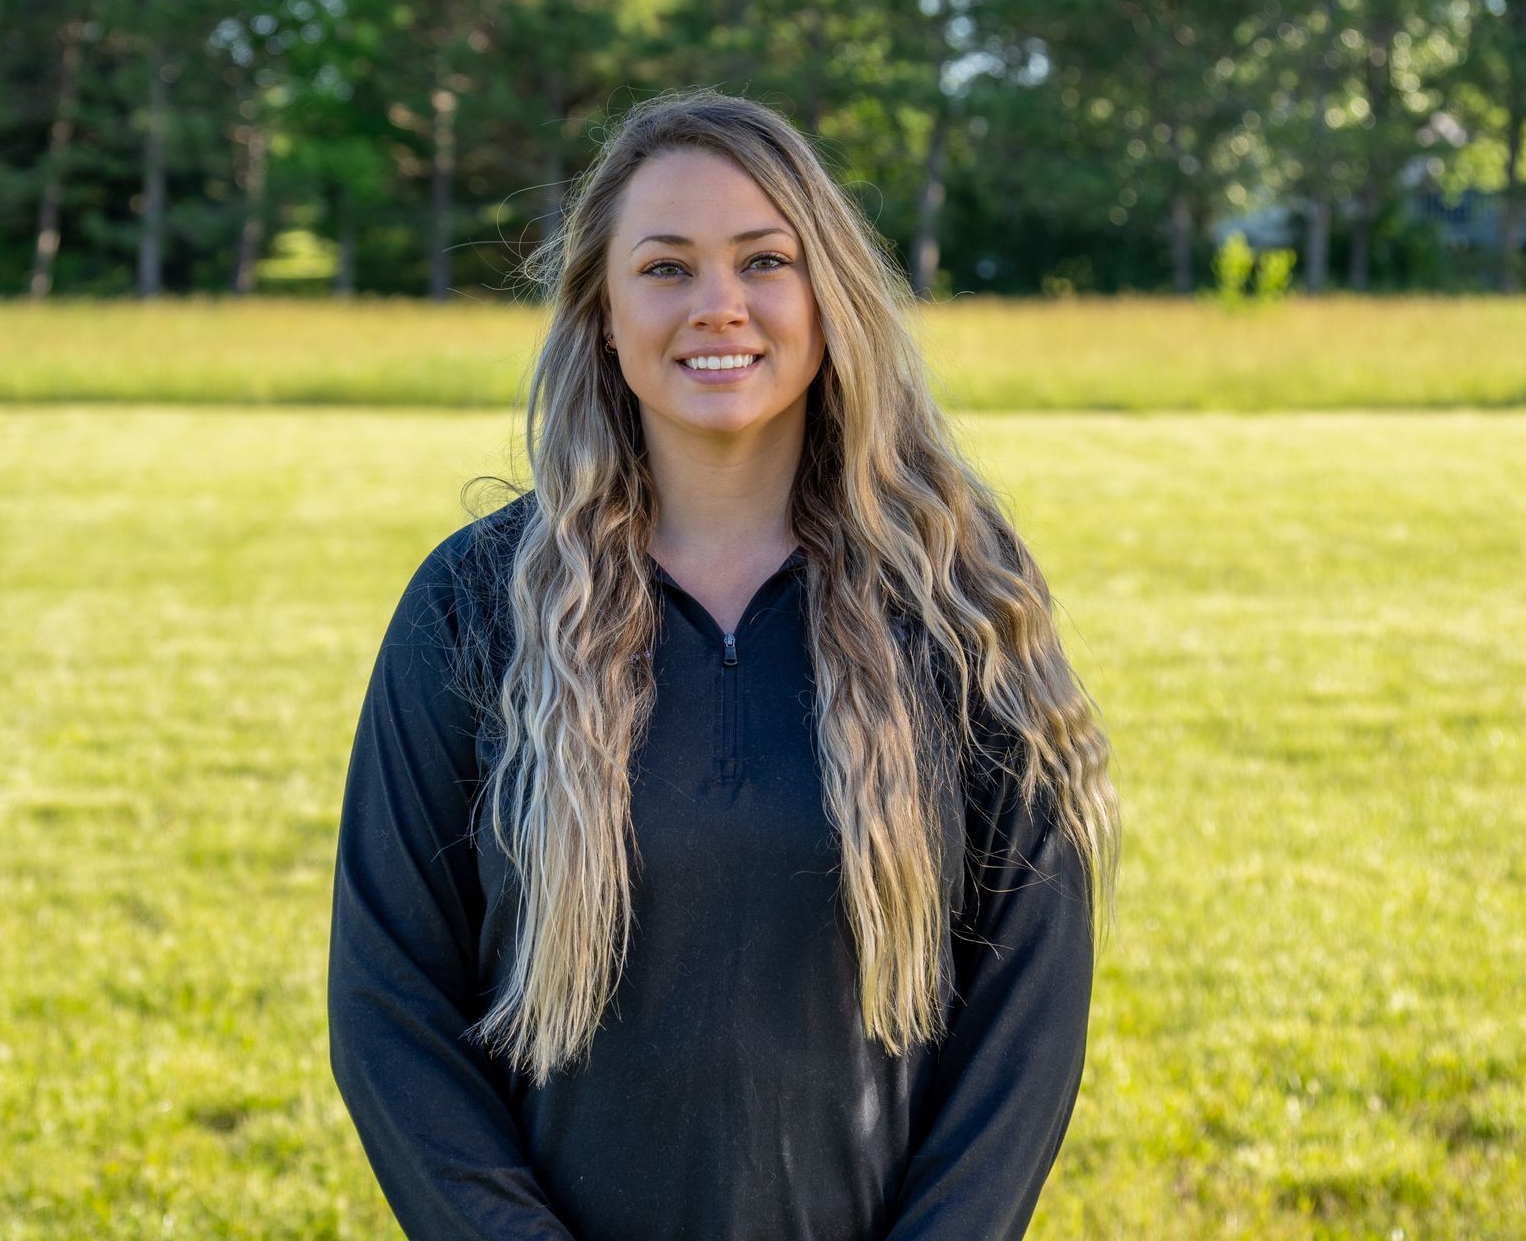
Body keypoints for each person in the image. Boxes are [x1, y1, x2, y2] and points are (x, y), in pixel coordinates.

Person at [327, 87, 1122, 1241]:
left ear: (828, 298)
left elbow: (1027, 1018)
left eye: (764, 261)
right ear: (601, 308)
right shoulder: (474, 611)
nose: (720, 307)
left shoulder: (957, 600)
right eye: (665, 268)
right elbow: (388, 1007)